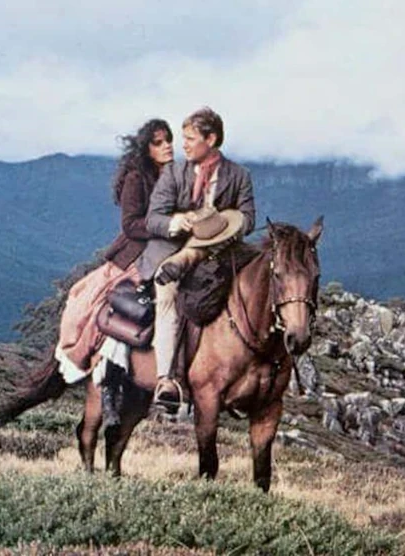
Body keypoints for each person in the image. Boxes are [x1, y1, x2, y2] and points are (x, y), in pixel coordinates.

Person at [135, 107, 256, 409]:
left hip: (221, 253)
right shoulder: (174, 173)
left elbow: (249, 219)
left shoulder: (239, 175)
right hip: (172, 249)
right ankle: (166, 378)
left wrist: (222, 225)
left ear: (210, 139)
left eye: (190, 138)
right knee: (167, 291)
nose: (184, 145)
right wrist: (177, 222)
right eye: (184, 138)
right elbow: (153, 218)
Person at [54, 118, 174, 384]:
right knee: (128, 305)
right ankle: (109, 369)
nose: (167, 146)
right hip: (137, 253)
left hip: (170, 248)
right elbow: (130, 224)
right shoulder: (136, 179)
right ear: (146, 149)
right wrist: (168, 226)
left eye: (168, 140)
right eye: (158, 143)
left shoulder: (174, 175)